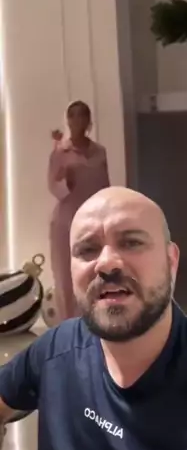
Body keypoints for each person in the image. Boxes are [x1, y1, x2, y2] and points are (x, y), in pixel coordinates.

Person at [0, 187, 187, 450]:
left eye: (131, 242)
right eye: (87, 249)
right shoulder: (56, 349)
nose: (107, 264)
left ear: (171, 261)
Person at [48, 100, 110, 320]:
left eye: (82, 115)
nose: (78, 120)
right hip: (66, 222)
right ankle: (68, 326)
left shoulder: (99, 152)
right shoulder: (60, 152)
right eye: (73, 115)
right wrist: (67, 182)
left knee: (94, 273)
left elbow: (105, 187)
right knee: (65, 277)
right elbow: (53, 185)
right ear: (68, 120)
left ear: (88, 120)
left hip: (93, 222)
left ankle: (94, 323)